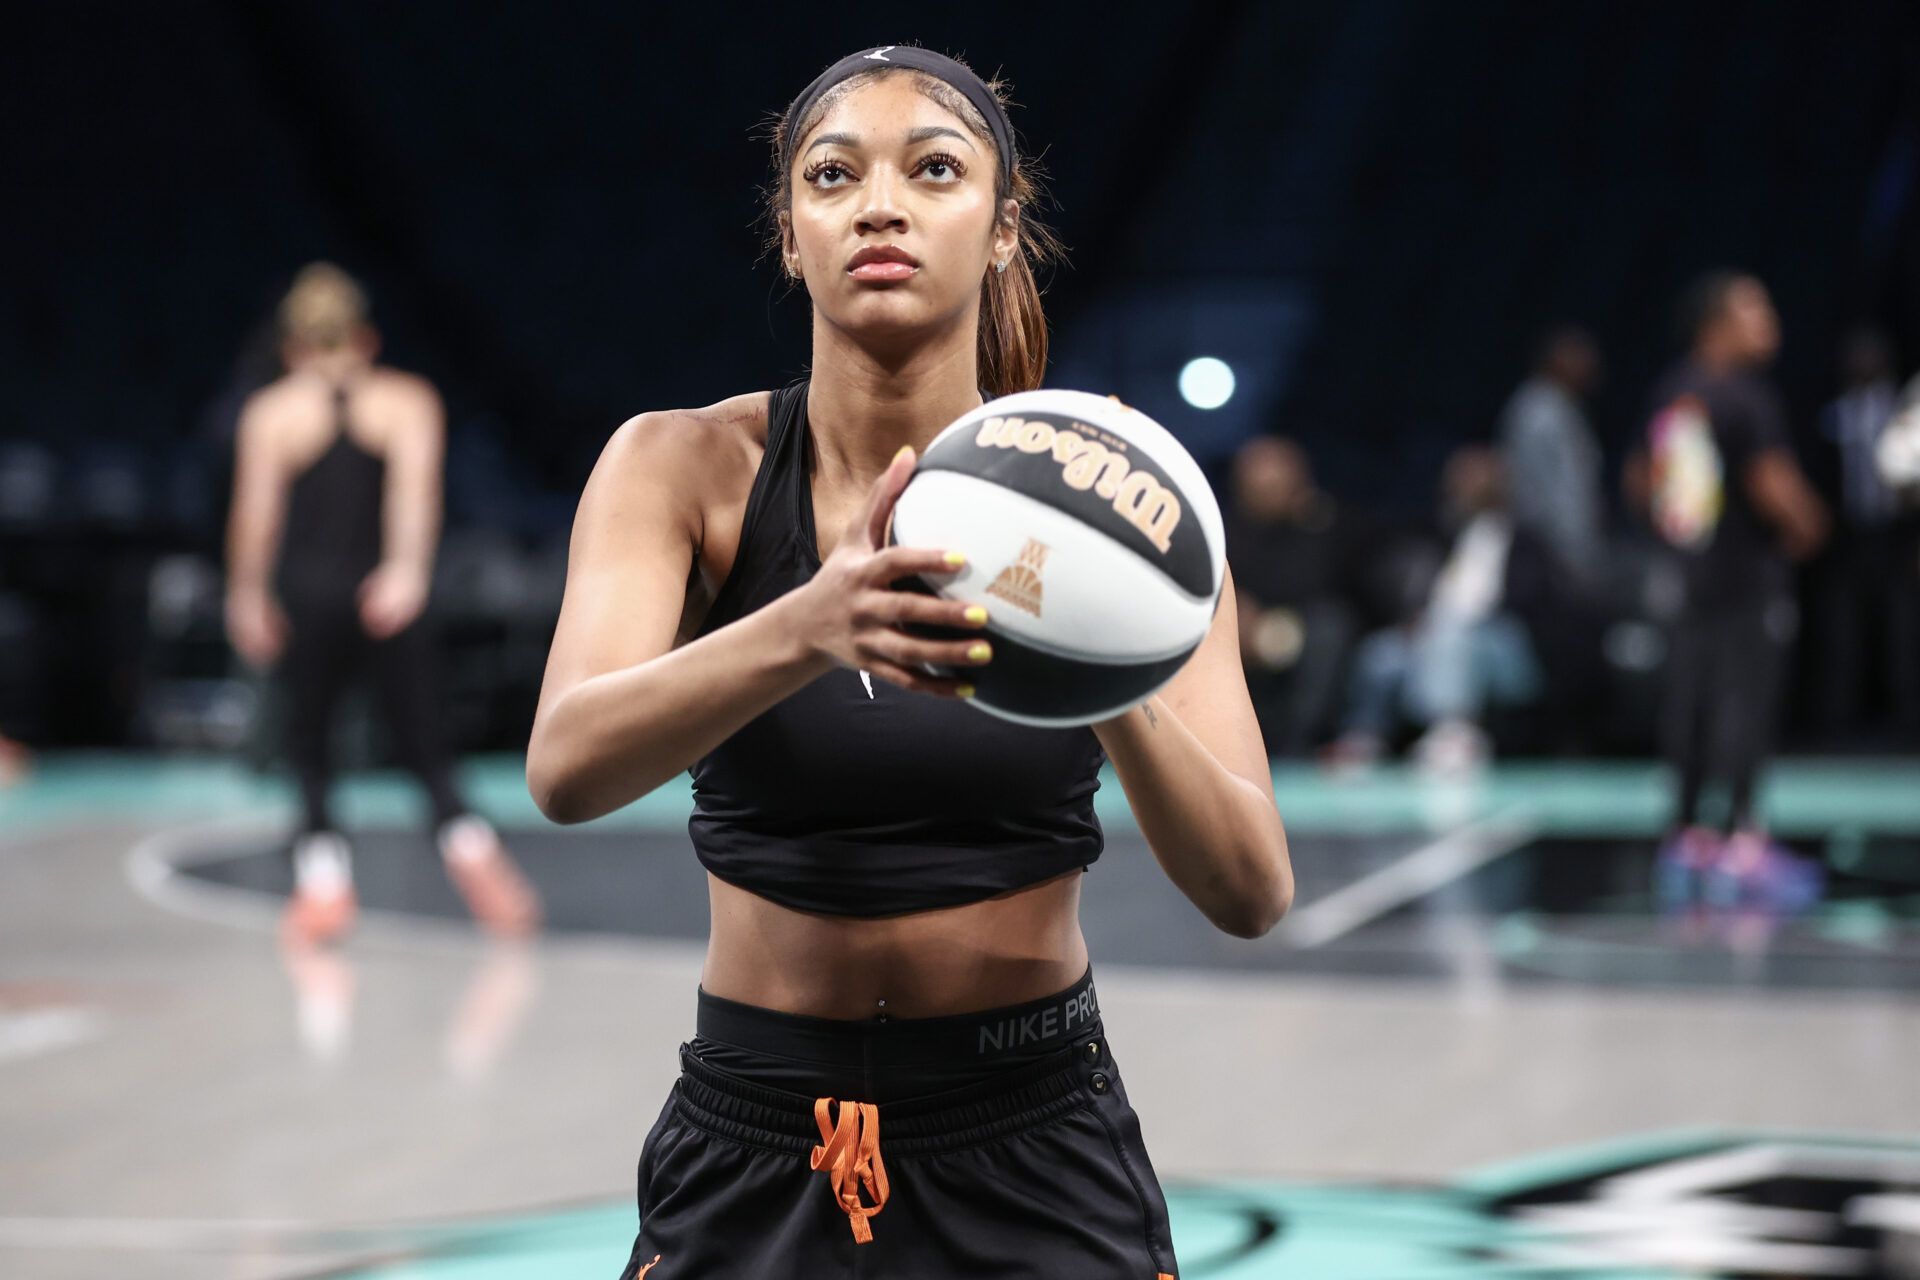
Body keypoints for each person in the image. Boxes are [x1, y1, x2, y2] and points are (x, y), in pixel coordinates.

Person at [527, 46, 1291, 1280]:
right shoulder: (680, 466)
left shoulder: (1123, 505)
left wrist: (1101, 663)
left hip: (1033, 1143)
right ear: (790, 233)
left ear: (1002, 226)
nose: (880, 205)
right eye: (834, 175)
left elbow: (1252, 888)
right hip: (756, 1132)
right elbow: (564, 765)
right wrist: (805, 626)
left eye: (934, 169)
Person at [226, 264, 541, 946]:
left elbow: (257, 516)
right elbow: (415, 495)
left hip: (308, 598)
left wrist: (247, 596)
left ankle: (323, 886)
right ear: (365, 338)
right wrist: (405, 574)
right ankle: (474, 852)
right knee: (425, 746)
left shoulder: (273, 413)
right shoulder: (406, 400)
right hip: (384, 597)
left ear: (292, 346)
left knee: (310, 750)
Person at [1638, 271, 1828, 913]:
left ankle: (1688, 836)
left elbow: (1644, 481)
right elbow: (1771, 481)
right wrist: (1810, 523)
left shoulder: (1675, 391)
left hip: (1691, 578)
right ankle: (1744, 842)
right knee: (1747, 701)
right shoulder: (1747, 397)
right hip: (1749, 578)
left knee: (1690, 699)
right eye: (1756, 310)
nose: (1770, 322)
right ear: (1717, 322)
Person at [1326, 447, 1554, 773]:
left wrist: (1461, 623)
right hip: (1436, 634)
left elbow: (1532, 605)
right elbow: (1426, 594)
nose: (1466, 485)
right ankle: (1365, 735)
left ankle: (1453, 731)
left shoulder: (1525, 541)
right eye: (1460, 478)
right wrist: (1416, 622)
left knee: (1452, 633)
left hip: (1501, 642)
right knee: (1384, 651)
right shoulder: (1440, 535)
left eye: (1476, 477)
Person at [1227, 435, 1366, 755]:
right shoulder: (1224, 528)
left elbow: (1330, 588)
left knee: (1329, 626)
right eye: (1258, 485)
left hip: (1302, 626)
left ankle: (1300, 745)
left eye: (1276, 484)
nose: (1267, 491)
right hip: (1239, 627)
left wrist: (1311, 518)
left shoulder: (1323, 524)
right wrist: (1234, 613)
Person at [1813, 328, 1917, 740]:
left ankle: (1908, 721)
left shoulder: (1905, 413)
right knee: (1843, 633)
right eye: (1857, 355)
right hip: (1848, 539)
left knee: (1903, 631)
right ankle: (1837, 722)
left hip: (1895, 538)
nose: (1864, 363)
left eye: (1871, 355)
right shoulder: (1833, 415)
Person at [1499, 326, 1605, 586]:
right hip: (1546, 549)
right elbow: (1545, 491)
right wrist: (1571, 551)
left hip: (1564, 549)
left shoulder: (1561, 406)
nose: (1587, 364)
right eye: (1576, 355)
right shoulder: (1539, 410)